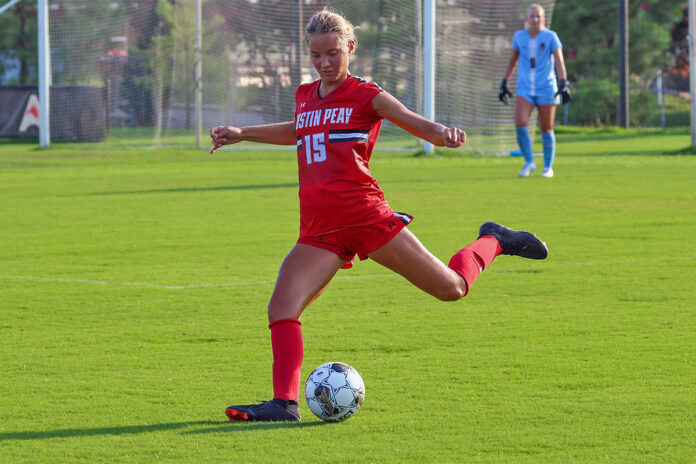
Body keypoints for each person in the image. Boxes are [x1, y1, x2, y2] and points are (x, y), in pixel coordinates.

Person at [210, 8, 549, 422]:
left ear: (350, 47)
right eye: (316, 56)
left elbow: (410, 120)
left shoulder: (365, 93)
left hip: (368, 220)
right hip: (320, 231)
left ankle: (494, 239)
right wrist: (243, 134)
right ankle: (284, 404)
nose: (324, 63)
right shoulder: (304, 96)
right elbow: (299, 129)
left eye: (332, 53)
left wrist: (442, 134)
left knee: (452, 288)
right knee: (281, 308)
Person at [499, 3, 570, 178]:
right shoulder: (519, 37)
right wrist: (504, 82)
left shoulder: (551, 37)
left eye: (538, 16)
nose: (535, 19)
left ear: (543, 19)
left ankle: (547, 167)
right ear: (527, 19)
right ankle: (529, 162)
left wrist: (563, 82)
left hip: (546, 87)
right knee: (520, 122)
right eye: (532, 16)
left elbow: (559, 62)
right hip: (525, 87)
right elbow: (512, 61)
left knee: (546, 128)